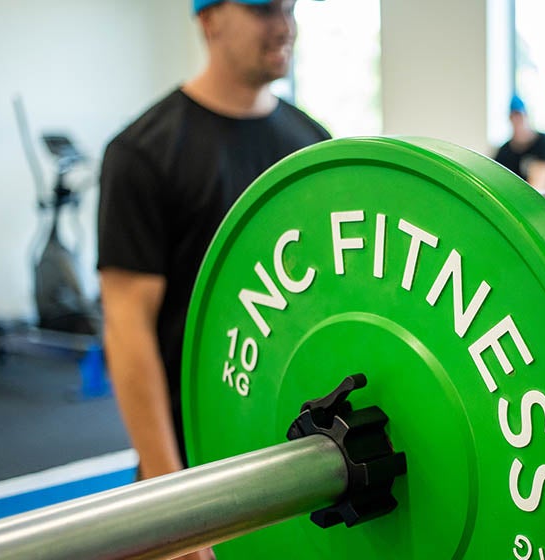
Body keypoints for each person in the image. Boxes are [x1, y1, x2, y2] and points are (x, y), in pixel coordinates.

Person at [96, 0, 329, 546]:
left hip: (296, 458)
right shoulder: (142, 154)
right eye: (264, 9)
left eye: (290, 8)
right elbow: (126, 327)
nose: (284, 24)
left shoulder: (313, 143)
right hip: (189, 461)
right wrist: (171, 497)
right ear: (209, 20)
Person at [494, 95, 545, 196]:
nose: (517, 121)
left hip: (539, 202)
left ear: (526, 116)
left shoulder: (543, 142)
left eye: (520, 116)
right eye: (513, 117)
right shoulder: (504, 152)